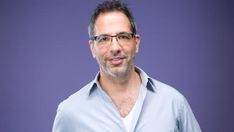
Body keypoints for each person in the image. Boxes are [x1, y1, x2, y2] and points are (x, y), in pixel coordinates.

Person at [52, 0, 201, 132]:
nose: (115, 47)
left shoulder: (174, 104)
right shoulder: (70, 113)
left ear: (136, 43)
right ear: (92, 48)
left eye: (123, 36)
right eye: (104, 38)